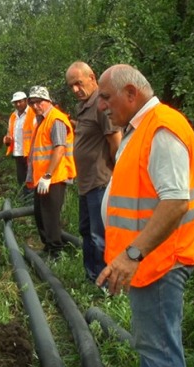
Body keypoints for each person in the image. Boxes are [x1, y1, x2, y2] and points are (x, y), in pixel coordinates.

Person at [95, 64, 194, 367]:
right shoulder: (139, 128)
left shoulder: (163, 129)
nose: (102, 105)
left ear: (131, 93)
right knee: (149, 338)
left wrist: (132, 254)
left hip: (161, 257)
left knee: (160, 345)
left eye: (106, 97)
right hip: (149, 257)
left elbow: (175, 202)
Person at [65, 61, 122, 282]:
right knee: (86, 231)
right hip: (86, 183)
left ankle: (105, 283)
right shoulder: (85, 105)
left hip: (101, 182)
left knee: (100, 236)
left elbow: (115, 143)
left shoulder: (101, 105)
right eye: (71, 86)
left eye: (78, 83)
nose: (75, 90)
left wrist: (117, 178)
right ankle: (91, 277)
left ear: (92, 77)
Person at [26, 85, 76, 258]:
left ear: (48, 101)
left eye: (39, 102)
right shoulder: (41, 120)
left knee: (50, 216)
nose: (35, 106)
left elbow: (59, 148)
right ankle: (48, 246)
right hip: (42, 178)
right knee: (40, 213)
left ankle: (56, 252)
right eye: (32, 102)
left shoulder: (56, 120)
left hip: (54, 178)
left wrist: (47, 175)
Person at [2, 91, 36, 199]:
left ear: (26, 101)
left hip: (30, 152)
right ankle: (24, 198)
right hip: (18, 152)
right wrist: (7, 140)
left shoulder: (33, 113)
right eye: (15, 102)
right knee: (21, 178)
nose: (17, 104)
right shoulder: (13, 116)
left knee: (30, 178)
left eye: (20, 102)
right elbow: (9, 133)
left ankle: (30, 200)